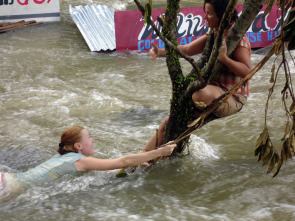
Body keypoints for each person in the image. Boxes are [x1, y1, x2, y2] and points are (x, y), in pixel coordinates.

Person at [144, 0, 252, 151]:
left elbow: (248, 71)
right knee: (170, 121)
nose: (205, 18)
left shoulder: (237, 39)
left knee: (198, 94)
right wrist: (160, 52)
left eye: (209, 14)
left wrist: (225, 59)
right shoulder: (215, 31)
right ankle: (142, 158)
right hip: (212, 91)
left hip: (232, 96)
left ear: (222, 16)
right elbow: (188, 49)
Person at [0, 125, 176, 195]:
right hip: (8, 187)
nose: (92, 140)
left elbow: (126, 161)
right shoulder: (80, 161)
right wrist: (161, 151)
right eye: (89, 137)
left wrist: (162, 128)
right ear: (78, 146)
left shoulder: (64, 156)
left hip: (7, 178)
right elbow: (123, 161)